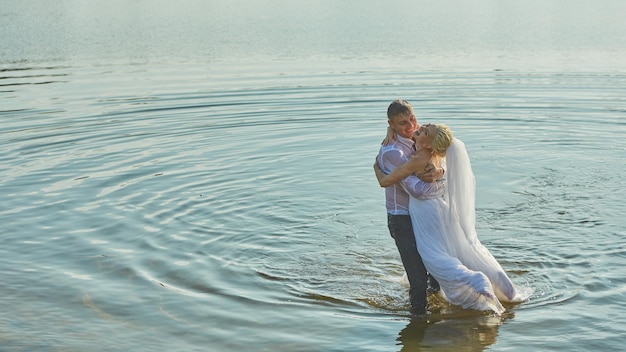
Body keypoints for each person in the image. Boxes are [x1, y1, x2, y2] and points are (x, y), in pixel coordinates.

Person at [375, 123, 529, 314]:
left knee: (435, 256)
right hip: (440, 208)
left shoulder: (418, 158)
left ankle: (477, 282)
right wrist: (392, 130)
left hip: (426, 210)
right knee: (460, 249)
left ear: (428, 144)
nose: (418, 128)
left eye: (423, 131)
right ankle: (504, 286)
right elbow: (440, 161)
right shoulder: (431, 150)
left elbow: (407, 187)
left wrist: (378, 170)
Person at [375, 100, 445, 317]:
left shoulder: (420, 136)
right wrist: (439, 181)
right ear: (391, 124)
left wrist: (439, 172)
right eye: (402, 123)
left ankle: (438, 318)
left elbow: (445, 158)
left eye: (412, 119)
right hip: (402, 218)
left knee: (435, 271)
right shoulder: (393, 152)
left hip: (424, 216)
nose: (411, 126)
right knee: (417, 278)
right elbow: (417, 191)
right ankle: (417, 321)